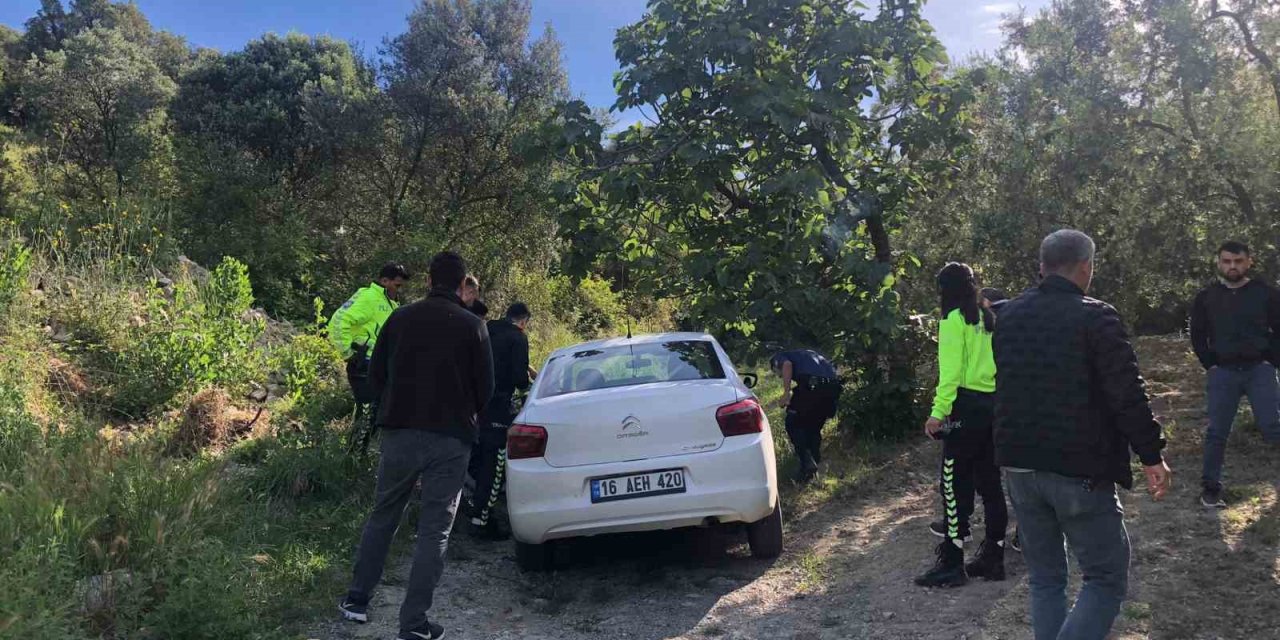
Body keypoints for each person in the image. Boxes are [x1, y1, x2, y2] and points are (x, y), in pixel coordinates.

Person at [994, 229, 1170, 640]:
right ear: (1087, 267)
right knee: (1105, 579)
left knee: (1045, 579)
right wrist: (1151, 454)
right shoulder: (1096, 316)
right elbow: (1127, 394)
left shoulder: (1009, 315)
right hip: (1079, 466)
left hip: (1019, 463)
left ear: (1042, 267)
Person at [339, 251, 494, 640]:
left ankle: (357, 600)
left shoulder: (399, 318)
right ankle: (413, 624)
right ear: (462, 286)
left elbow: (375, 378)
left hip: (400, 431)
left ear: (428, 280)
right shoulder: (473, 326)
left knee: (384, 514)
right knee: (434, 530)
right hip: (451, 438)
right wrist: (462, 413)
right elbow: (486, 390)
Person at [915, 263, 1008, 588]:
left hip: (964, 407)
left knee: (953, 483)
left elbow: (951, 374)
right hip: (992, 405)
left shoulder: (953, 321)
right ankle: (993, 557)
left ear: (944, 290)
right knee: (990, 483)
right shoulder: (988, 317)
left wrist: (937, 413)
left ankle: (952, 563)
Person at [1190, 240, 1280, 508]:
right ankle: (1210, 489)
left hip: (1258, 371)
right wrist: (1211, 364)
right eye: (1227, 261)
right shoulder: (1206, 296)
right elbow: (1197, 334)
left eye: (1238, 261)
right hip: (1223, 374)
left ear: (1249, 261)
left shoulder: (1266, 293)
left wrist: (1270, 362)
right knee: (1217, 432)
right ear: (1218, 262)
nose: (1232, 266)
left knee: (1272, 427)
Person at [468, 302, 535, 540]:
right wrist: (528, 387)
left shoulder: (486, 328)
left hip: (472, 404)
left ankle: (470, 507)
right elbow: (518, 378)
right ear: (524, 320)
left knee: (474, 457)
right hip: (497, 405)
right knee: (494, 463)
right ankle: (481, 521)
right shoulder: (517, 338)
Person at [328, 263, 412, 407]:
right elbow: (338, 321)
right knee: (368, 412)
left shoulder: (390, 302)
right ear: (385, 281)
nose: (400, 290)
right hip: (364, 363)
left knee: (376, 411)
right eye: (397, 285)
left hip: (377, 364)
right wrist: (347, 353)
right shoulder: (369, 297)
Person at [769, 348, 841, 483]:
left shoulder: (780, 357)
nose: (779, 376)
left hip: (813, 385)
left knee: (792, 422)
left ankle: (806, 461)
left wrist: (786, 393)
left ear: (774, 365)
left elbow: (787, 365)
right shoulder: (808, 355)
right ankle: (811, 471)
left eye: (776, 373)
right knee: (812, 428)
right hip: (833, 388)